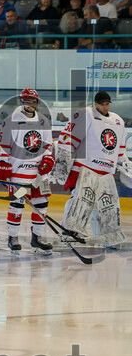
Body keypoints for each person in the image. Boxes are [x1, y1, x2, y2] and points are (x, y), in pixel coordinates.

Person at [54, 90, 127, 246]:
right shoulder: (85, 115)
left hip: (106, 171)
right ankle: (68, 230)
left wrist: (124, 163)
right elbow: (67, 139)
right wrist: (62, 165)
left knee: (105, 204)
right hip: (84, 168)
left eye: (108, 104)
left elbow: (120, 148)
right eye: (103, 104)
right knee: (80, 199)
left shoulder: (118, 121)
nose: (106, 107)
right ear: (96, 104)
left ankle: (106, 235)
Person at [0, 88, 56, 256]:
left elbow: (47, 148)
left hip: (39, 174)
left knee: (41, 205)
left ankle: (37, 237)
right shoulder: (11, 120)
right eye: (26, 101)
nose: (29, 105)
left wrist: (47, 160)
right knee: (17, 205)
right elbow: (2, 147)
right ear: (22, 102)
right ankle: (13, 238)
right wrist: (3, 164)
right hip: (18, 171)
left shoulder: (44, 121)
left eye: (32, 101)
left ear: (36, 102)